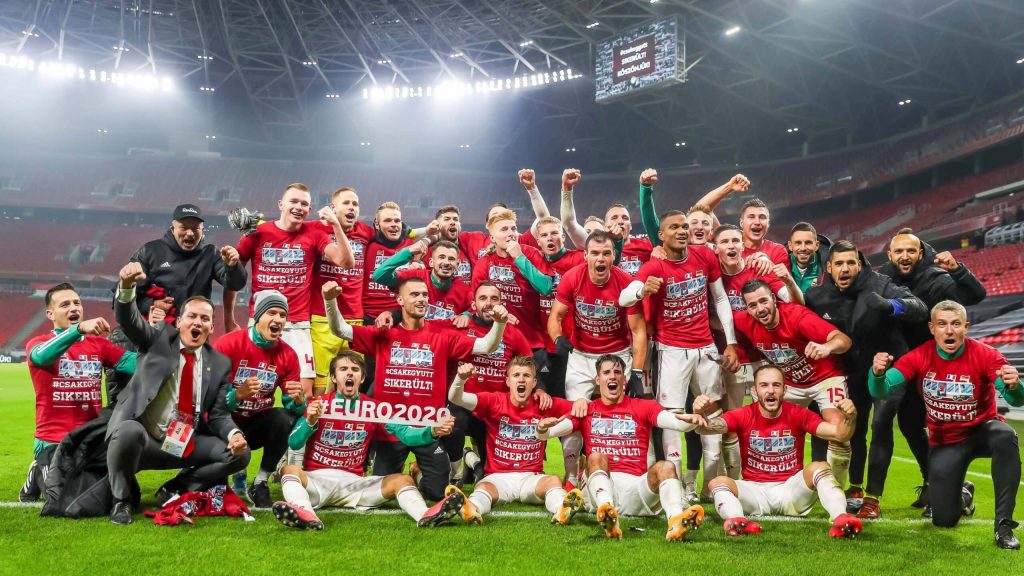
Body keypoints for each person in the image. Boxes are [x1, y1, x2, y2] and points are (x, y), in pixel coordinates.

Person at [323, 277, 507, 500]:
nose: (421, 299)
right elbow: (340, 330)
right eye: (414, 294)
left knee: (437, 493)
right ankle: (411, 475)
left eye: (424, 295)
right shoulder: (384, 333)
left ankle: (418, 473)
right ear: (400, 300)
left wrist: (499, 323)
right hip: (391, 431)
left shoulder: (442, 334)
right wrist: (330, 300)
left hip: (429, 430)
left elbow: (487, 346)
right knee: (381, 493)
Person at [869, 300, 1021, 549]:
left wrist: (1014, 386)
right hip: (946, 441)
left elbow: (1015, 397)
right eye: (942, 324)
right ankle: (963, 495)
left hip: (982, 431)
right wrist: (877, 374)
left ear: (966, 327)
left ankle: (1003, 526)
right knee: (944, 520)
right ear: (932, 328)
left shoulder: (985, 354)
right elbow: (882, 390)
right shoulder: (919, 355)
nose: (949, 331)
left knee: (1005, 436)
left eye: (955, 324)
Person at [106, 262, 250, 525]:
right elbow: (130, 320)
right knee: (127, 430)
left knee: (240, 454)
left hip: (183, 443)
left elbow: (218, 415)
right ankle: (122, 500)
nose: (198, 322)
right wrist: (126, 286)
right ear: (179, 321)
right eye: (192, 316)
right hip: (146, 441)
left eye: (204, 319)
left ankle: (176, 487)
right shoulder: (159, 340)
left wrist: (235, 435)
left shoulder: (219, 363)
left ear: (212, 327)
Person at [272, 351, 466, 530]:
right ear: (334, 377)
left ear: (362, 378)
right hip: (317, 481)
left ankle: (424, 515)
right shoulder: (319, 404)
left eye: (355, 369)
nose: (350, 373)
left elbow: (405, 433)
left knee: (403, 479)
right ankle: (306, 515)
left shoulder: (374, 409)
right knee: (289, 470)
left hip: (355, 484)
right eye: (343, 369)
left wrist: (432, 431)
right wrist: (310, 421)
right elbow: (294, 442)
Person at [804, 240, 928, 517]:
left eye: (851, 262)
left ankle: (872, 498)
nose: (845, 268)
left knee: (881, 424)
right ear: (829, 268)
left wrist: (891, 305)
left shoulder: (880, 285)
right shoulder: (817, 296)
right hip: (853, 371)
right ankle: (855, 488)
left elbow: (920, 308)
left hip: (889, 367)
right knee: (855, 428)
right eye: (839, 263)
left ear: (859, 265)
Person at [620, 210, 740, 495]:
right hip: (672, 351)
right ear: (661, 235)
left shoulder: (704, 255)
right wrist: (641, 291)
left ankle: (710, 487)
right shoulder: (653, 267)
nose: (682, 231)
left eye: (685, 226)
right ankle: (675, 486)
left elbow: (720, 298)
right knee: (673, 419)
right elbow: (623, 298)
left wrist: (731, 341)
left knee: (711, 415)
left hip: (706, 349)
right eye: (674, 227)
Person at [538, 355, 708, 541]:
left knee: (666, 466)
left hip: (636, 488)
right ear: (597, 380)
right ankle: (607, 512)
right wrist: (542, 429)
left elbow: (675, 422)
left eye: (617, 372)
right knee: (595, 457)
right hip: (599, 488)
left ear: (624, 379)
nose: (612, 376)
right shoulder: (587, 409)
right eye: (606, 372)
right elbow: (547, 434)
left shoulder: (644, 406)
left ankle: (676, 521)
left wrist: (694, 419)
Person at [690, 365, 863, 539]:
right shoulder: (744, 414)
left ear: (784, 390)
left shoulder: (798, 413)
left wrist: (849, 418)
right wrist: (699, 413)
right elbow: (705, 428)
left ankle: (841, 519)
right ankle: (737, 521)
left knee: (820, 466)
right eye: (764, 385)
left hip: (791, 492)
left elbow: (840, 434)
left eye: (776, 385)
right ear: (755, 390)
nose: (771, 390)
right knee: (718, 482)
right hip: (755, 492)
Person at [21, 283, 137, 502]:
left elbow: (137, 364)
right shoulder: (38, 344)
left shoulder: (99, 345)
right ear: (50, 314)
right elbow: (41, 357)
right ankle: (38, 469)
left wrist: (155, 337)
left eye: (77, 303)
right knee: (63, 499)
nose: (73, 307)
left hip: (89, 439)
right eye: (65, 304)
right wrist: (78, 330)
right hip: (53, 441)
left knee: (118, 494)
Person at [236, 183, 354, 397]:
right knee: (254, 391)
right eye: (294, 201)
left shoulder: (314, 233)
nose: (299, 207)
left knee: (304, 394)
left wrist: (336, 224)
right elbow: (232, 276)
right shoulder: (257, 232)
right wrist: (228, 316)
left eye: (304, 204)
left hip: (298, 326)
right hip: (260, 323)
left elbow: (346, 262)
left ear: (309, 210)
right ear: (281, 204)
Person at [549, 230, 647, 485]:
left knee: (625, 417)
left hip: (617, 356)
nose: (600, 258)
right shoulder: (572, 277)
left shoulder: (625, 282)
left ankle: (629, 474)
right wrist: (558, 338)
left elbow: (638, 331)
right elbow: (555, 316)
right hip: (581, 356)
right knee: (574, 418)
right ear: (585, 255)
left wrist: (637, 373)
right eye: (595, 253)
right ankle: (572, 479)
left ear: (614, 256)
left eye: (606, 253)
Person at [734, 280, 854, 488]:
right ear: (747, 309)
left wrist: (827, 347)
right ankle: (774, 485)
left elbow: (843, 340)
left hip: (825, 377)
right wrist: (730, 348)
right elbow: (718, 322)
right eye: (752, 305)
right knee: (763, 428)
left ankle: (836, 491)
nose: (760, 309)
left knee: (838, 430)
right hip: (790, 383)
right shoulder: (742, 322)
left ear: (774, 299)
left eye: (764, 301)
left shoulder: (797, 317)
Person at [446, 359, 585, 524]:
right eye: (516, 375)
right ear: (508, 381)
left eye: (526, 375)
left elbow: (587, 410)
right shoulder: (494, 401)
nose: (521, 379)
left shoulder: (544, 404)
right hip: (498, 478)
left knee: (553, 481)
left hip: (531, 478)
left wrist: (582, 401)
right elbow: (456, 398)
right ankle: (472, 509)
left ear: (534, 382)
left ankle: (562, 508)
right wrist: (460, 379)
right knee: (483, 488)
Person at [213, 289, 305, 508]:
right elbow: (210, 400)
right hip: (222, 424)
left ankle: (260, 482)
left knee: (284, 417)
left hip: (256, 425)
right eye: (272, 313)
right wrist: (237, 395)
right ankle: (225, 475)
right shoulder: (228, 344)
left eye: (282, 315)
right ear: (257, 317)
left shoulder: (288, 355)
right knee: (214, 491)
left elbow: (293, 408)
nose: (278, 319)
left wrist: (299, 401)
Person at [444, 282, 533, 484]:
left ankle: (472, 460)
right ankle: (455, 473)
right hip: (462, 401)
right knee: (453, 424)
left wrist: (540, 390)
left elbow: (528, 365)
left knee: (489, 477)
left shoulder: (513, 333)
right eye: (483, 298)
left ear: (502, 304)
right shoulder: (460, 326)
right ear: (473, 305)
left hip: (494, 407)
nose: (489, 303)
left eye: (494, 299)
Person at [124, 203, 247, 323]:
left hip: (194, 329)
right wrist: (151, 304)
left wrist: (233, 266)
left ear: (202, 230)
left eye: (195, 228)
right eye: (184, 227)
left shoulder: (211, 254)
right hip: (158, 330)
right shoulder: (150, 251)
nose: (190, 233)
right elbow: (123, 296)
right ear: (173, 229)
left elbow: (235, 285)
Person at [309, 186, 376, 393]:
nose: (351, 207)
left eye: (355, 204)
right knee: (321, 386)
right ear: (332, 208)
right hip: (322, 318)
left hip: (355, 318)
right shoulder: (315, 229)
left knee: (351, 383)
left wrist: (425, 233)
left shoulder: (365, 232)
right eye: (346, 203)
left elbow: (395, 235)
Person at [471, 207, 553, 356]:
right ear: (492, 238)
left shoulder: (530, 253)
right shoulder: (484, 263)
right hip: (498, 343)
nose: (511, 233)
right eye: (504, 229)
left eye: (513, 229)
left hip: (532, 340)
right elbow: (477, 303)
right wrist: (500, 315)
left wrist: (519, 258)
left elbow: (546, 287)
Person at [372, 238, 471, 321]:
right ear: (431, 262)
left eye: (451, 259)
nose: (446, 262)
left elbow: (474, 310)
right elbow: (379, 276)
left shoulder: (464, 291)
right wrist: (408, 251)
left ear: (457, 265)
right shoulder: (415, 277)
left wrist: (467, 315)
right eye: (441, 257)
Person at [787, 222, 832, 291]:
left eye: (808, 243)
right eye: (798, 243)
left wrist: (823, 289)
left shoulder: (829, 265)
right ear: (790, 245)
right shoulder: (780, 263)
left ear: (817, 245)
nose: (803, 248)